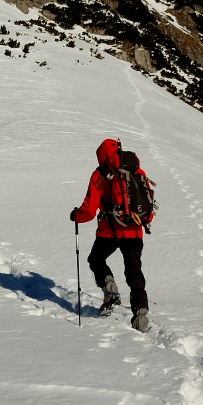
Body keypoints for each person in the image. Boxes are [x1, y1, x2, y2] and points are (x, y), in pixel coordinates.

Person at [70, 138, 153, 332]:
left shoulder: (100, 174)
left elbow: (90, 210)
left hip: (110, 230)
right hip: (135, 229)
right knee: (134, 273)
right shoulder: (136, 170)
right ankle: (141, 316)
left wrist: (76, 216)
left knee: (96, 259)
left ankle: (110, 290)